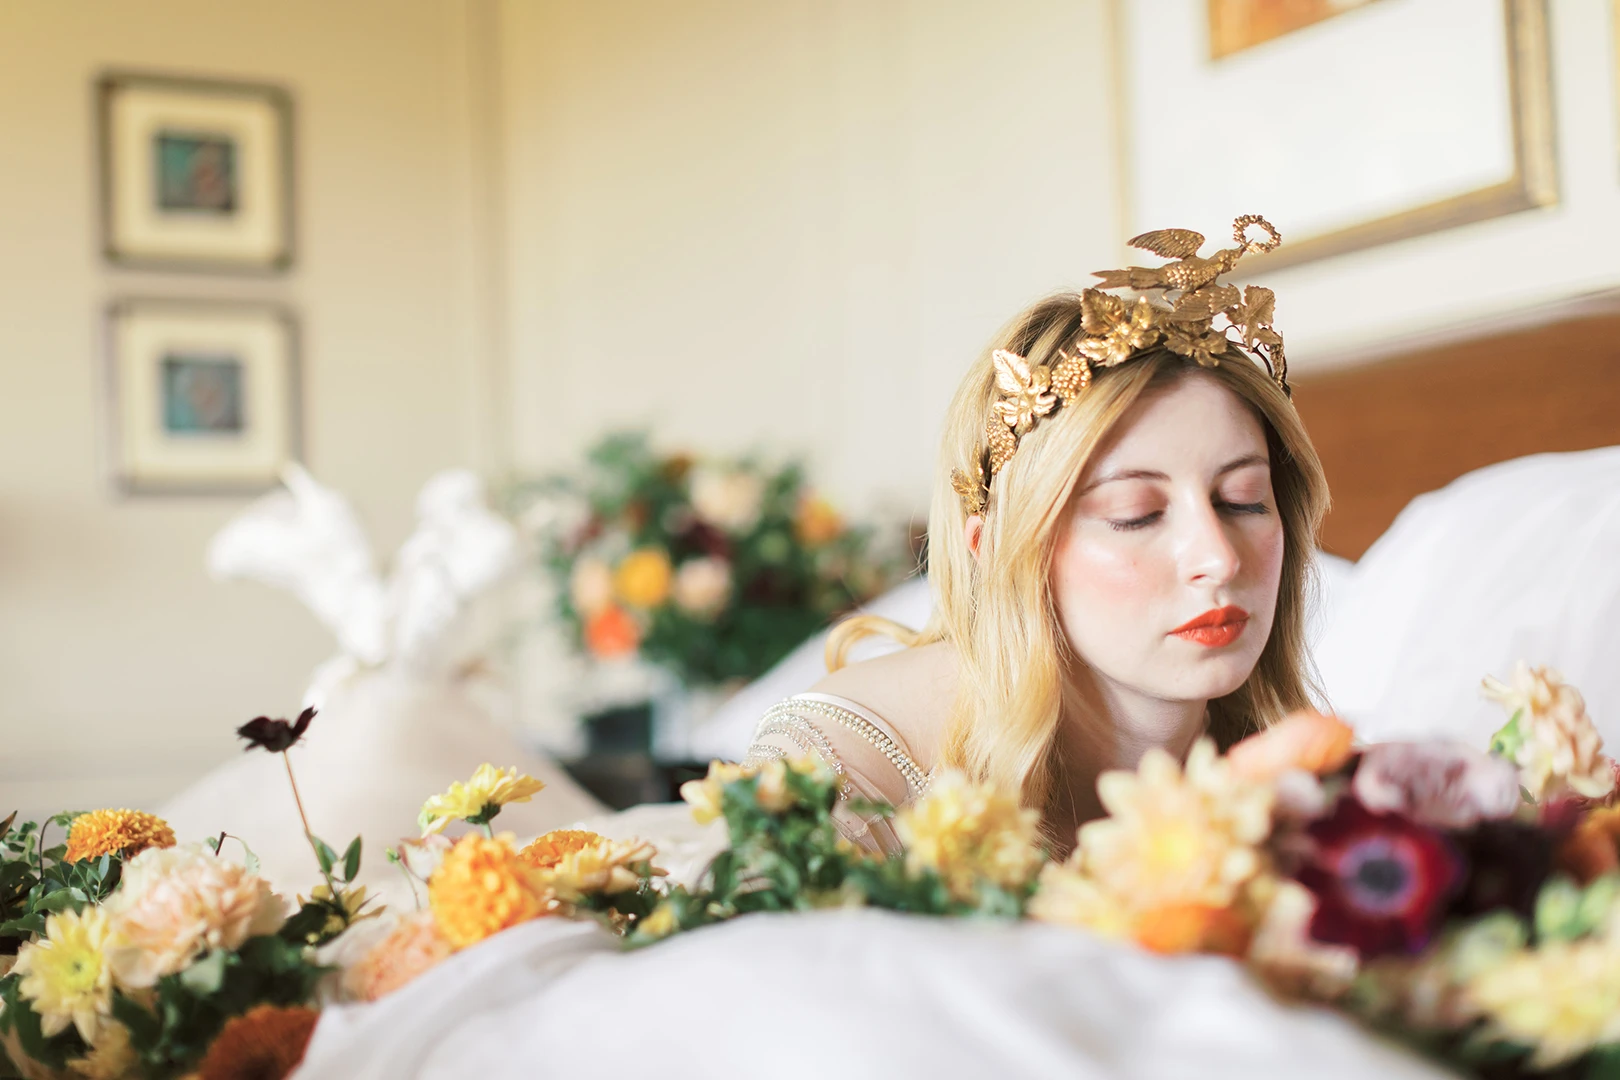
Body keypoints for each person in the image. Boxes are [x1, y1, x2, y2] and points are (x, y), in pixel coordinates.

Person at [744, 216, 1329, 857]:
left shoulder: (1304, 786)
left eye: (1242, 501)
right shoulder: (842, 770)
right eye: (1136, 513)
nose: (1217, 558)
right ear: (994, 549)